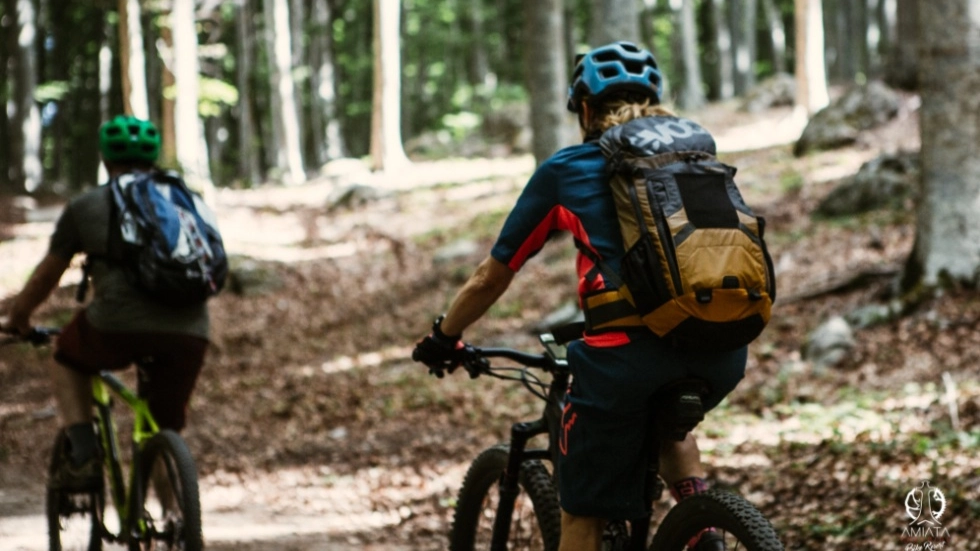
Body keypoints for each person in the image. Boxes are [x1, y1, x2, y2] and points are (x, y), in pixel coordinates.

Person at [413, 42, 745, 551]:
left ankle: (692, 527)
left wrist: (445, 335)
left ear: (586, 109)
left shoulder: (567, 169)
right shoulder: (692, 154)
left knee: (582, 517)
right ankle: (704, 528)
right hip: (722, 345)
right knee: (670, 429)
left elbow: (491, 276)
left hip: (624, 361)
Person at [1, 115, 212, 492]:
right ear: (154, 156)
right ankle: (175, 523)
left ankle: (84, 455)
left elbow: (47, 275)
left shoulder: (87, 205)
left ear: (105, 158)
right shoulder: (188, 200)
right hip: (191, 332)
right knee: (162, 430)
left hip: (115, 325)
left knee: (66, 355)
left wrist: (18, 317)